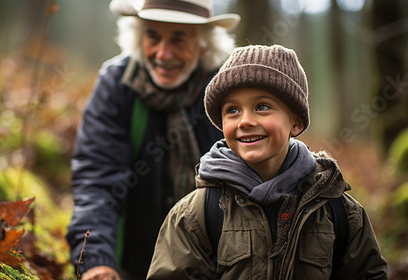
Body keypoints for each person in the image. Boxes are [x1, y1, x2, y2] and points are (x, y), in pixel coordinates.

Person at [147, 45, 388, 279]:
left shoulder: (339, 212)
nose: (245, 121)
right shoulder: (197, 214)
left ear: (296, 122)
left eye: (262, 107)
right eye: (232, 110)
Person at [65, 0, 240, 279]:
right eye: (153, 37)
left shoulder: (229, 91)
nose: (162, 53)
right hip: (134, 263)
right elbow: (98, 179)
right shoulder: (117, 85)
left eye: (178, 38)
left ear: (204, 44)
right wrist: (97, 259)